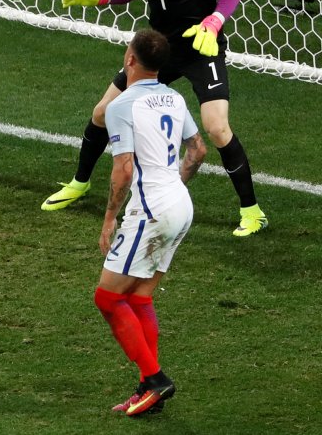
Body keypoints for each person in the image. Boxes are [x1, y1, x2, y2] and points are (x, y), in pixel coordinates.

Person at [43, 0, 268, 237]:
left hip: (200, 46)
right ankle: (79, 183)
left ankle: (252, 211)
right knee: (103, 111)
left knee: (216, 127)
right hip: (158, 48)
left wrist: (213, 23)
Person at [94, 29, 206, 417]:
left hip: (152, 211)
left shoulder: (121, 106)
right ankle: (148, 389)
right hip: (181, 204)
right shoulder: (175, 98)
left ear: (129, 60)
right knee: (138, 297)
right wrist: (174, 187)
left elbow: (123, 170)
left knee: (107, 298)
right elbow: (198, 150)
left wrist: (109, 217)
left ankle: (155, 378)